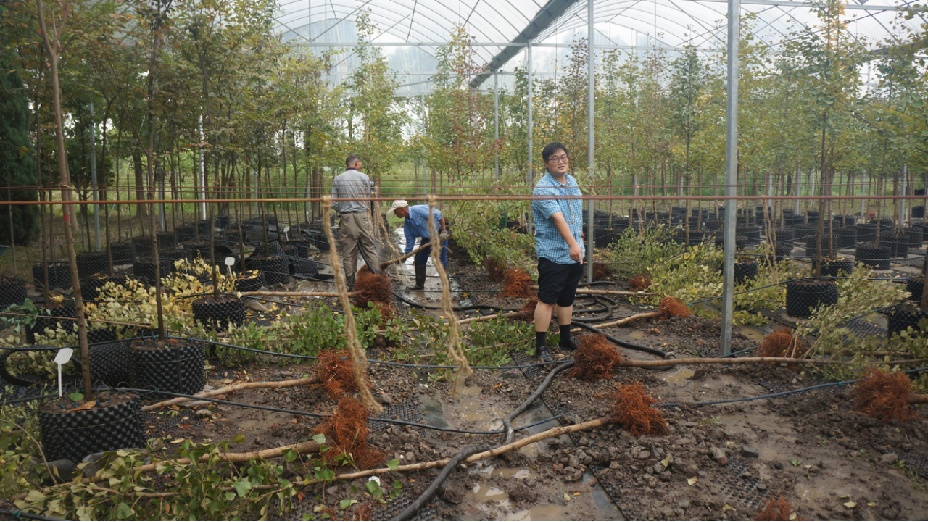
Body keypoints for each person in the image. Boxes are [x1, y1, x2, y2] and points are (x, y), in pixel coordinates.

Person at [532, 142, 584, 362]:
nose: (561, 161)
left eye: (563, 157)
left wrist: (579, 237)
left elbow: (575, 214)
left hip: (574, 251)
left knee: (567, 298)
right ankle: (541, 347)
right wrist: (572, 244)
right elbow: (558, 218)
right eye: (555, 158)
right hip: (553, 253)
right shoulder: (543, 189)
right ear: (546, 163)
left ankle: (565, 337)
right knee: (547, 299)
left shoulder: (571, 182)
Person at [331, 154, 379, 289]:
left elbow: (334, 203)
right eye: (361, 164)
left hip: (347, 219)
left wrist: (344, 208)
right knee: (369, 248)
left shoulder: (338, 179)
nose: (361, 167)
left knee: (348, 252)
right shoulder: (364, 177)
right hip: (363, 216)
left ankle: (351, 285)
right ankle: (376, 281)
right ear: (356, 164)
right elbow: (368, 198)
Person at [388, 199, 449, 291]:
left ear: (401, 209)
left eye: (395, 211)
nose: (395, 214)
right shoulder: (407, 224)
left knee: (441, 260)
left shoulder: (418, 210)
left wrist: (443, 231)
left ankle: (447, 287)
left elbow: (439, 214)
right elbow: (410, 241)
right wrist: (406, 255)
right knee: (419, 259)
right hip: (427, 238)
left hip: (439, 235)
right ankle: (419, 285)